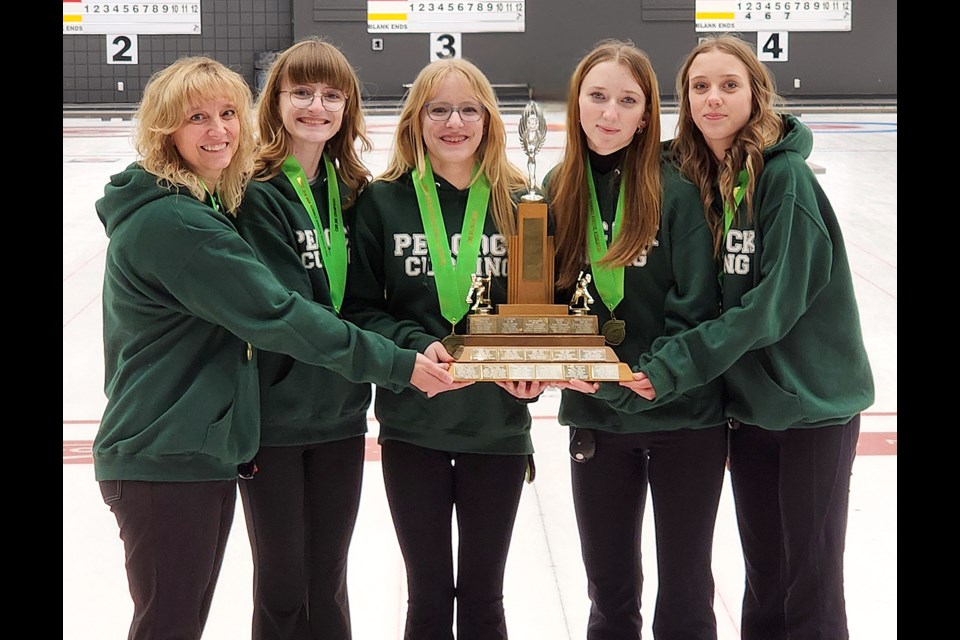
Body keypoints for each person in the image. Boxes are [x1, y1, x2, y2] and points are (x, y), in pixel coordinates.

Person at [93, 56, 457, 640]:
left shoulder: (202, 206)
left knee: (190, 618)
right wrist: (398, 365)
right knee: (176, 621)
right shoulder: (181, 224)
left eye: (227, 114)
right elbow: (278, 315)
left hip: (200, 445)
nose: (218, 130)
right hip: (167, 450)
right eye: (196, 118)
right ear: (165, 130)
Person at [621, 35, 876, 639]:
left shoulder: (785, 180)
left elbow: (769, 310)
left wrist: (674, 366)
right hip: (752, 410)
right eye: (699, 87)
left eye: (729, 85)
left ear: (757, 95)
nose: (713, 98)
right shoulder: (704, 176)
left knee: (809, 585)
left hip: (811, 408)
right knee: (764, 578)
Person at [341, 58, 546, 640]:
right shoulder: (383, 203)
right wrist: (414, 344)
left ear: (488, 120)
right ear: (416, 120)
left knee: (485, 601)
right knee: (426, 600)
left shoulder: (520, 199)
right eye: (439, 109)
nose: (454, 122)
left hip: (497, 426)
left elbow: (535, 309)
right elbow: (359, 309)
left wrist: (529, 365)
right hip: (413, 425)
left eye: (468, 109)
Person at [544, 40, 728, 639]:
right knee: (610, 595)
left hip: (683, 418)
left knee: (685, 595)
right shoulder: (553, 187)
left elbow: (696, 311)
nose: (610, 114)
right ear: (576, 104)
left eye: (628, 101)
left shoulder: (678, 189)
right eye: (597, 97)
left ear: (648, 115)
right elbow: (545, 304)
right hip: (598, 422)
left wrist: (625, 382)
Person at [231, 37, 379, 639]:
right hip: (277, 420)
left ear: (347, 107)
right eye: (302, 93)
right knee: (282, 585)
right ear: (276, 101)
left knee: (330, 581)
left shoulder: (352, 193)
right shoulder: (257, 192)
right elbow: (288, 311)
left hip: (342, 416)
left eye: (331, 95)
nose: (316, 106)